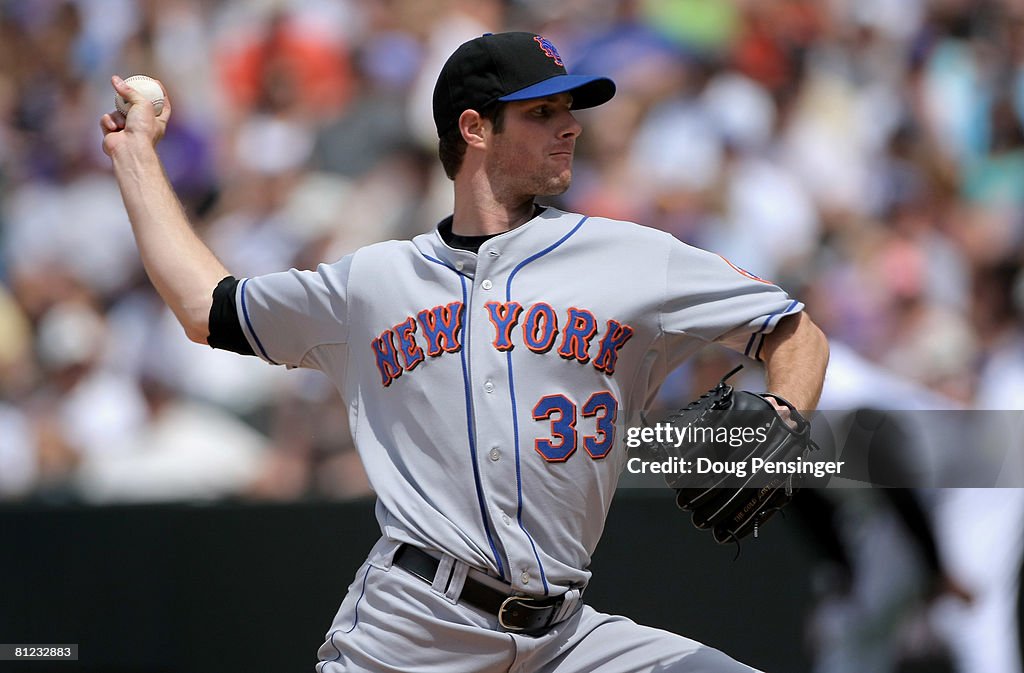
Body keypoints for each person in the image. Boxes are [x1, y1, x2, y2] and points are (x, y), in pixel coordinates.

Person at [101, 31, 828, 673]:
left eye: (570, 110)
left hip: (567, 638)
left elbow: (795, 330)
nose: (570, 128)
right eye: (543, 113)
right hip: (411, 629)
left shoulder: (634, 256)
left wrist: (784, 411)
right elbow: (208, 307)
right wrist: (135, 157)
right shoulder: (375, 281)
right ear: (474, 128)